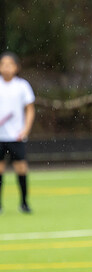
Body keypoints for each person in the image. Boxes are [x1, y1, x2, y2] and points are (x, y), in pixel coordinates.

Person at [0, 51, 36, 214]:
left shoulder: (22, 86)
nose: (6, 68)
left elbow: (30, 109)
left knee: (21, 168)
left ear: (16, 67)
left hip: (16, 136)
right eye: (3, 64)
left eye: (10, 64)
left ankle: (24, 203)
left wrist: (25, 130)